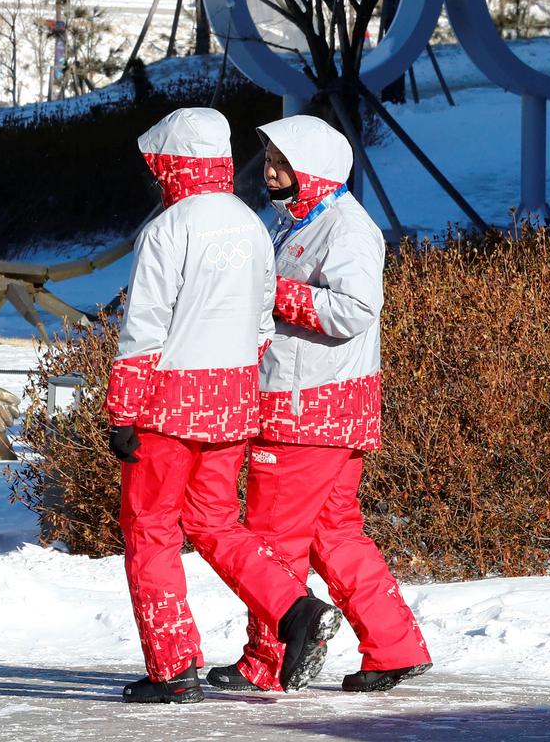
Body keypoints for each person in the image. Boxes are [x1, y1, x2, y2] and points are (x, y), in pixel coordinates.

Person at [106, 107, 343, 704]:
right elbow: (264, 323)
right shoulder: (250, 224)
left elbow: (145, 327)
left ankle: (173, 667)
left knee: (150, 527)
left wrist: (123, 410)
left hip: (165, 406)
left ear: (171, 164)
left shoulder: (167, 229)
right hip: (233, 401)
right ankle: (293, 607)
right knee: (216, 522)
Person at [208, 114, 431, 695]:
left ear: (316, 171)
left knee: (271, 536)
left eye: (284, 164)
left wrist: (272, 293)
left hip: (308, 408)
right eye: (271, 162)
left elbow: (355, 309)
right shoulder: (298, 223)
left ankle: (270, 661)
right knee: (333, 534)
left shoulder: (346, 229)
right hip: (327, 405)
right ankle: (394, 646)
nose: (272, 173)